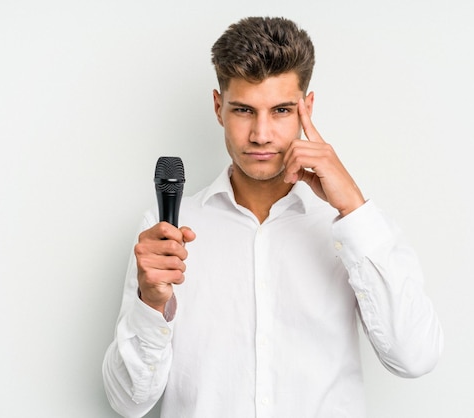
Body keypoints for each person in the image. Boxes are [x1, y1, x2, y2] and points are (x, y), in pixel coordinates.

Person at [103, 16, 443, 418]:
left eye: (281, 110)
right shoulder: (165, 234)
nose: (261, 134)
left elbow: (415, 357)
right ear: (218, 107)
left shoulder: (354, 229)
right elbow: (128, 402)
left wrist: (353, 207)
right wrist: (151, 303)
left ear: (307, 108)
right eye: (244, 110)